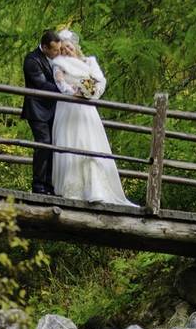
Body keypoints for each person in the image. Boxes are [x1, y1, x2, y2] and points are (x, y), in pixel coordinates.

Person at [50, 29, 136, 206]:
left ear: (75, 46)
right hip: (69, 107)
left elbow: (99, 80)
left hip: (87, 108)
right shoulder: (58, 64)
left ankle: (95, 188)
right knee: (73, 143)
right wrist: (73, 92)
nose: (66, 51)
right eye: (63, 49)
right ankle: (73, 190)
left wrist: (90, 92)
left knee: (90, 143)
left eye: (69, 47)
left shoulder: (89, 61)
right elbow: (60, 83)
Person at [21, 29, 62, 195]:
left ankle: (48, 184)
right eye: (54, 50)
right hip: (37, 110)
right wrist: (65, 90)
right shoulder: (32, 60)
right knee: (43, 143)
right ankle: (38, 185)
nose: (58, 52)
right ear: (44, 47)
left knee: (52, 145)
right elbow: (42, 85)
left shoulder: (54, 59)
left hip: (53, 109)